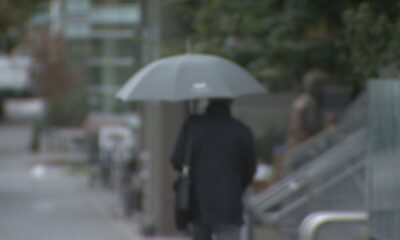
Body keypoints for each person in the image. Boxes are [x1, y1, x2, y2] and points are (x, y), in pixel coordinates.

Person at [170, 99, 256, 240]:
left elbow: (176, 160)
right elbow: (250, 170)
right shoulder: (242, 131)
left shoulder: (193, 126)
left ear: (209, 100)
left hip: (198, 204)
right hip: (230, 204)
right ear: (230, 102)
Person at [285, 69, 326, 150]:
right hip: (305, 144)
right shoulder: (311, 102)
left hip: (293, 143)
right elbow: (313, 125)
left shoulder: (299, 99)